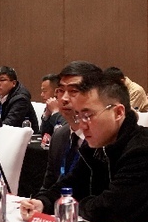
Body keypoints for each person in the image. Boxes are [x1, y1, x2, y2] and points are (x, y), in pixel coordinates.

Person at [20, 70, 148, 222]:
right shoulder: (99, 142)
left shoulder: (143, 150)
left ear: (118, 113)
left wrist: (74, 204)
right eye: (79, 115)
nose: (82, 124)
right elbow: (72, 184)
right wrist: (42, 203)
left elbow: (110, 210)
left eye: (88, 115)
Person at [38, 61, 101, 192]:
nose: (64, 99)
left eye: (73, 91)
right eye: (61, 91)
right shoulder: (59, 136)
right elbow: (47, 187)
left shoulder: (105, 141)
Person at [0, 66, 39, 131]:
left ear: (13, 83)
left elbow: (10, 124)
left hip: (24, 136)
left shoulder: (21, 99)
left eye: (2, 80)